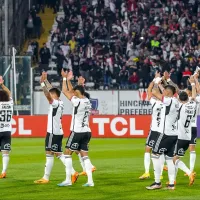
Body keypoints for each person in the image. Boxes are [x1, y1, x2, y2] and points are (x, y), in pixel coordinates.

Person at [58, 70, 94, 187]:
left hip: (77, 131)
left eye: (75, 92)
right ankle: (90, 181)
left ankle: (68, 180)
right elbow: (76, 91)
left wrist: (64, 79)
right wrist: (75, 83)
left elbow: (65, 91)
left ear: (77, 93)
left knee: (67, 153)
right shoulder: (87, 101)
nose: (73, 92)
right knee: (85, 156)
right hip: (87, 131)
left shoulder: (77, 101)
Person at [34, 72, 66, 184]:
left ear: (55, 95)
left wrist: (42, 84)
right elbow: (52, 90)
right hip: (58, 131)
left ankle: (46, 178)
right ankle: (72, 172)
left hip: (52, 132)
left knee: (50, 153)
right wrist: (46, 81)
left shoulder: (55, 103)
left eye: (52, 94)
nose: (50, 94)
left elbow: (48, 95)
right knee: (56, 153)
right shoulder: (60, 102)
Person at [146, 83, 179, 190]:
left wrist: (156, 82)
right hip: (175, 134)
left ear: (168, 93)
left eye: (164, 91)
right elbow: (171, 91)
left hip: (165, 134)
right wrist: (162, 85)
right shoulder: (176, 100)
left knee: (155, 155)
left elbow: (154, 92)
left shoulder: (169, 100)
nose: (162, 92)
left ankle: (157, 182)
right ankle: (171, 184)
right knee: (169, 159)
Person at [139, 75, 165, 180]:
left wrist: (154, 80)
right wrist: (160, 83)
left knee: (147, 150)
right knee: (160, 152)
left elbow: (149, 90)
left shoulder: (154, 102)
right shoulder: (167, 103)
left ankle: (146, 172)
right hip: (163, 130)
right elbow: (164, 94)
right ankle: (161, 173)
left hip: (154, 130)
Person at [173, 76, 196, 186]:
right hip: (188, 136)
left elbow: (177, 97)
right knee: (176, 158)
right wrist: (192, 84)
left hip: (180, 137)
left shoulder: (180, 107)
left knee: (173, 159)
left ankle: (189, 172)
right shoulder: (193, 105)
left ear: (180, 100)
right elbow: (194, 96)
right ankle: (173, 180)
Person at [0, 76, 13, 178]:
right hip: (7, 130)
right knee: (5, 153)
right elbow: (9, 93)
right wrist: (2, 85)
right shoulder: (10, 103)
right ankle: (3, 171)